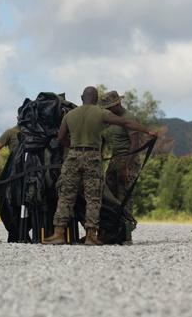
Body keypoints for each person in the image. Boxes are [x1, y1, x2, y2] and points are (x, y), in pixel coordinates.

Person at [45, 86, 157, 245]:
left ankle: (58, 234)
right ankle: (91, 235)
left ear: (81, 97)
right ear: (96, 100)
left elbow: (61, 138)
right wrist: (147, 131)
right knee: (94, 198)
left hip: (73, 157)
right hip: (93, 157)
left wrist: (76, 147)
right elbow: (125, 122)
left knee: (66, 195)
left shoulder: (69, 115)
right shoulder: (101, 113)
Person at [100, 90, 143, 244]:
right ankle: (110, 232)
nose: (109, 109)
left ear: (118, 103)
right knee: (109, 196)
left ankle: (126, 236)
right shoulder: (115, 119)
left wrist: (127, 167)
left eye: (111, 106)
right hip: (115, 159)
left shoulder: (128, 118)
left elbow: (135, 143)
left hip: (127, 159)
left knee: (125, 197)